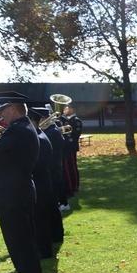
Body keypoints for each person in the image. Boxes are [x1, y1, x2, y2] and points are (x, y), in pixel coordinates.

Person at [0, 92, 43, 273]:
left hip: (13, 194)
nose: (1, 116)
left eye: (2, 110)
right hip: (16, 191)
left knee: (19, 239)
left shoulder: (19, 130)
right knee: (23, 237)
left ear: (13, 108)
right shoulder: (21, 128)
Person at [27, 108, 55, 259]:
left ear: (34, 122)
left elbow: (36, 165)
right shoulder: (37, 136)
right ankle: (41, 248)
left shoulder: (40, 139)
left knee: (40, 219)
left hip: (41, 184)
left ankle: (44, 251)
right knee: (38, 219)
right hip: (40, 183)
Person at [38, 106, 65, 243]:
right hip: (53, 172)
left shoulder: (51, 132)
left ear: (43, 118)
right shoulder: (50, 130)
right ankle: (56, 235)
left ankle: (56, 235)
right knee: (52, 206)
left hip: (51, 173)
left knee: (51, 206)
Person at [60, 104, 82, 211]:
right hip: (65, 148)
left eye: (66, 108)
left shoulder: (76, 121)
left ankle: (73, 187)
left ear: (72, 109)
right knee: (67, 168)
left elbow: (73, 136)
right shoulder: (64, 120)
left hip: (70, 148)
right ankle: (71, 186)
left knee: (70, 168)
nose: (64, 110)